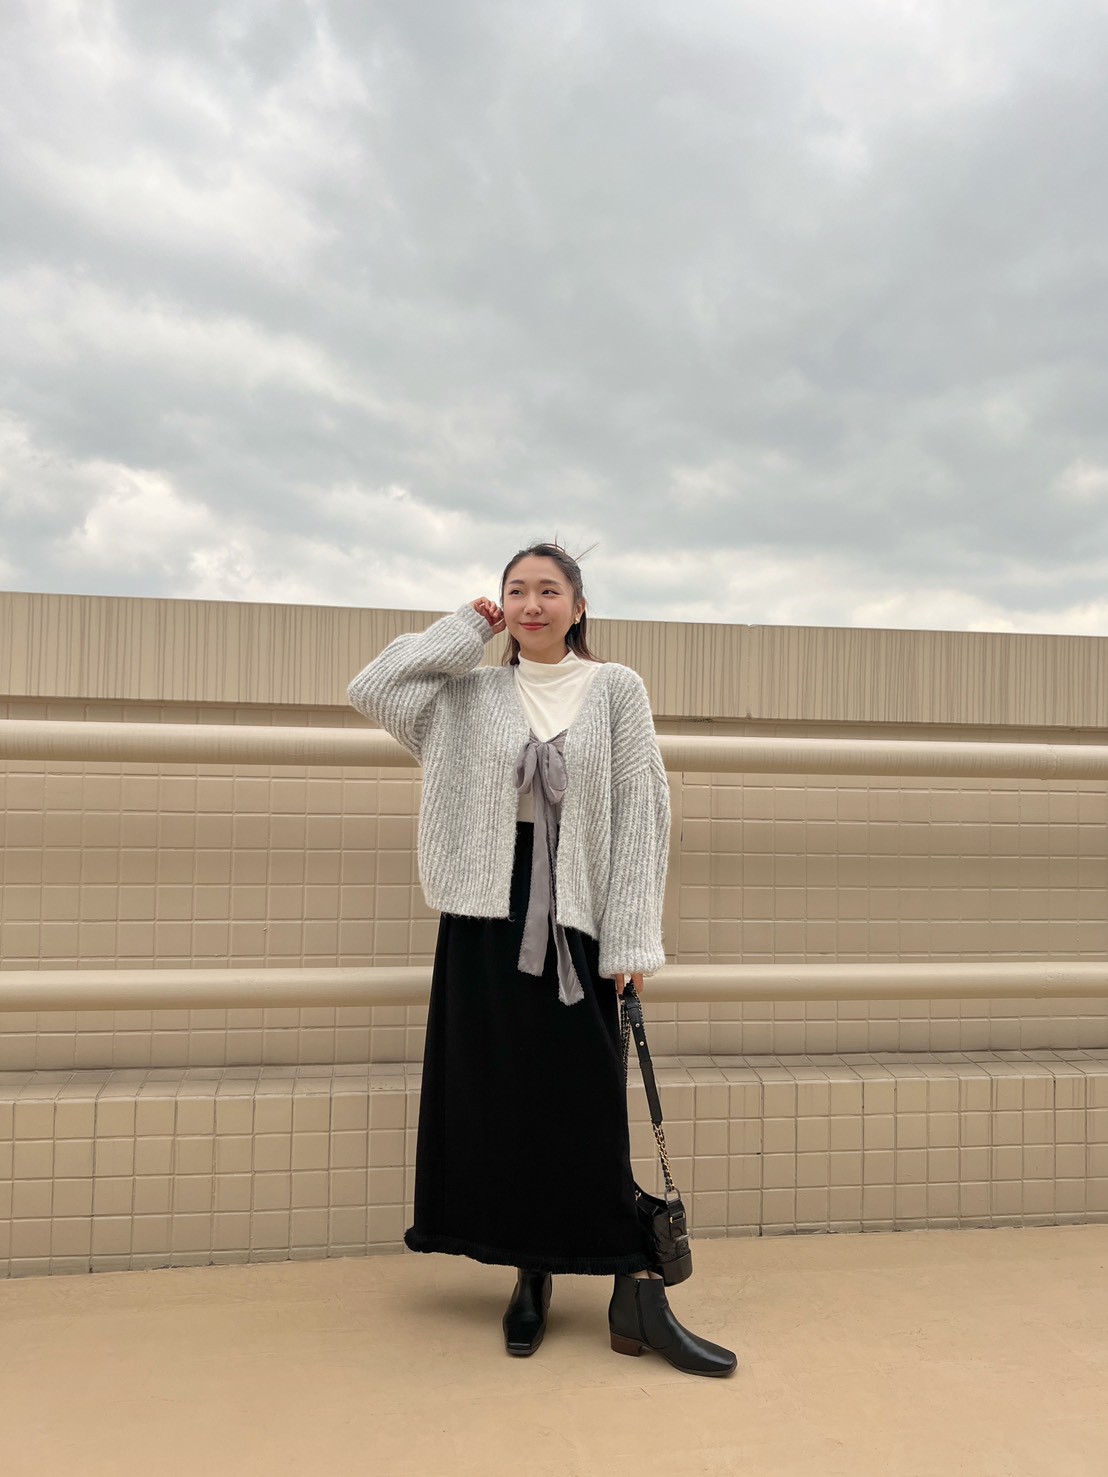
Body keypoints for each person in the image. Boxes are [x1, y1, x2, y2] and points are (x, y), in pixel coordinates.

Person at [347, 541, 736, 1377]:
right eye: (515, 591)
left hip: (579, 908)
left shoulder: (616, 688)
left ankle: (636, 1289)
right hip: (486, 911)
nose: (531, 604)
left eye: (549, 590)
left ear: (579, 605)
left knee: (585, 1098)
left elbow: (643, 810)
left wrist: (631, 938)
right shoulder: (467, 692)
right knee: (499, 1097)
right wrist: (462, 630)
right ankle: (530, 1272)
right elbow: (372, 688)